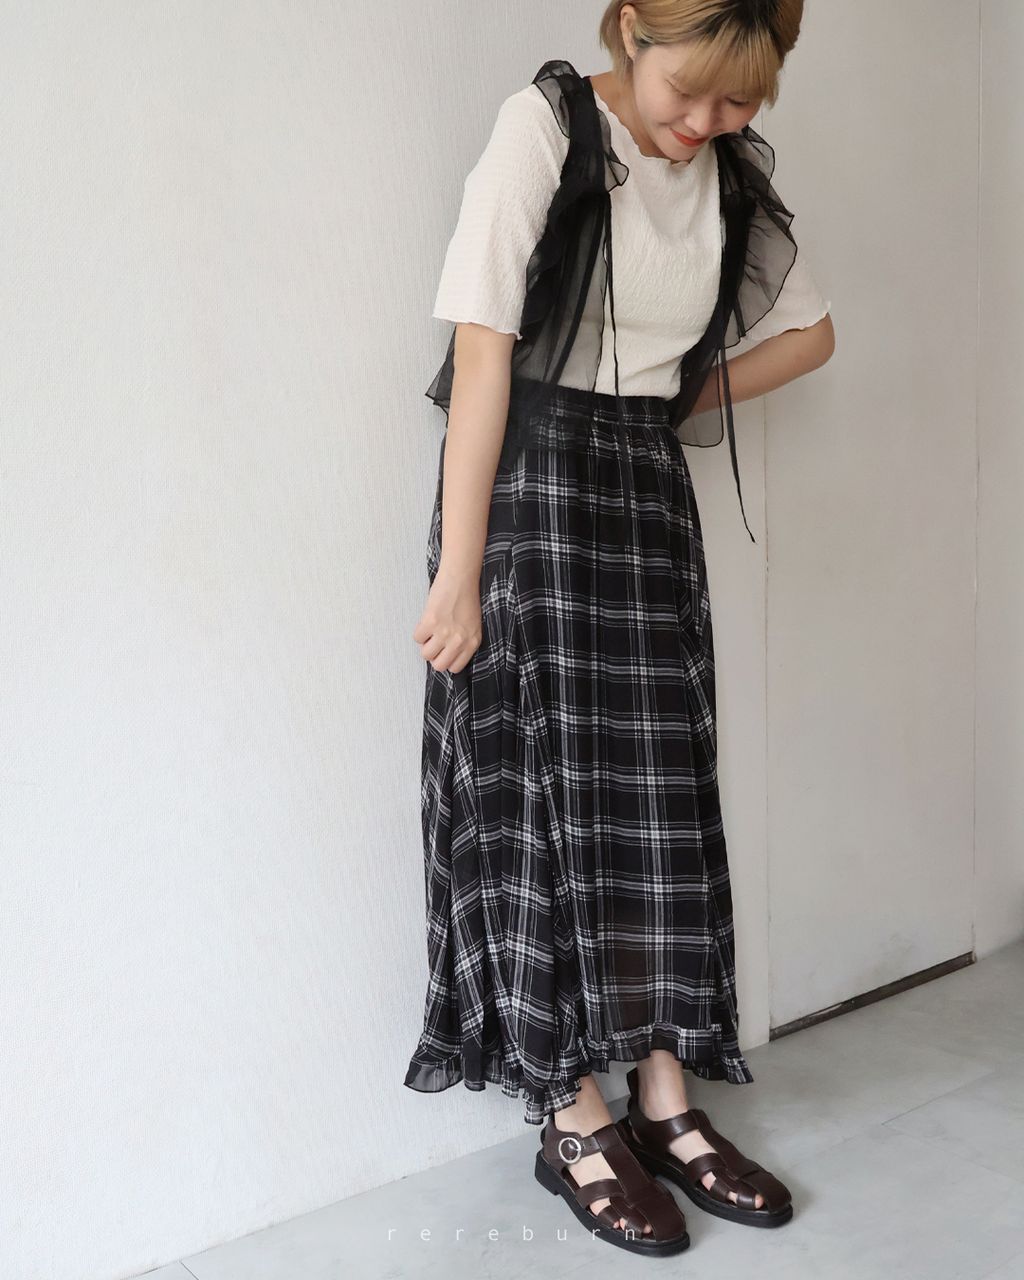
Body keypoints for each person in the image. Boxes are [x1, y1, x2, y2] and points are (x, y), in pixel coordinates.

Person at [405, 0, 835, 1256]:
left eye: (738, 101)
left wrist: (673, 397)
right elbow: (482, 354)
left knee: (657, 798)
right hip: (524, 489)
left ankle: (663, 1095)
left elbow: (811, 333)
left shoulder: (729, 175)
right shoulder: (543, 128)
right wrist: (460, 573)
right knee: (533, 795)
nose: (705, 123)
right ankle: (569, 1111)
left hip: (643, 488)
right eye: (686, 92)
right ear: (631, 33)